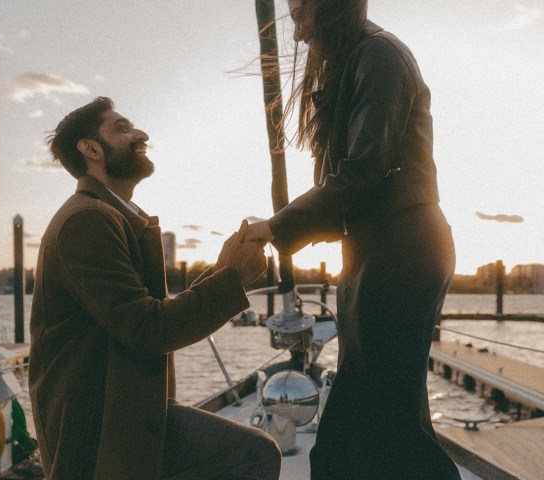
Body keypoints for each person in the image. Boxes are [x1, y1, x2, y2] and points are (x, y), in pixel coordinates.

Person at [245, 1, 460, 479]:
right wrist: (282, 230)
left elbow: (363, 174)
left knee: (389, 420)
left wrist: (277, 227)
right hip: (376, 249)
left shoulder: (379, 56)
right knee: (352, 425)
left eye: (301, 15)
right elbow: (355, 192)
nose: (297, 34)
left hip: (401, 249)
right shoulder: (360, 59)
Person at [28, 96, 281, 480]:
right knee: (253, 453)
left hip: (124, 412)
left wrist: (222, 270)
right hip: (100, 428)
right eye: (123, 128)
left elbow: (145, 312)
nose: (141, 134)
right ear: (91, 149)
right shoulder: (87, 221)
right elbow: (146, 329)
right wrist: (234, 280)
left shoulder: (111, 217)